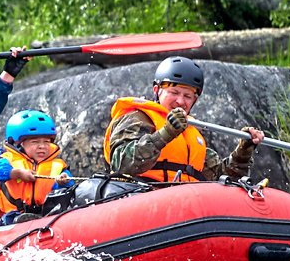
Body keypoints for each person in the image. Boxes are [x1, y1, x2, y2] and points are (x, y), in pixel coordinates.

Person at [103, 56, 265, 182]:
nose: (180, 101)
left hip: (185, 206)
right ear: (157, 90)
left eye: (187, 96)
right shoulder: (138, 118)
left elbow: (221, 176)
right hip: (142, 198)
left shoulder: (190, 133)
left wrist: (243, 152)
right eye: (174, 93)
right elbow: (121, 164)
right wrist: (166, 133)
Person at [0, 110, 74, 223]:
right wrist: (16, 173)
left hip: (48, 215)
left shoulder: (58, 165)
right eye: (35, 142)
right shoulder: (9, 160)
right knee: (12, 218)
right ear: (18, 144)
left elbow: (70, 187)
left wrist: (63, 181)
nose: (42, 146)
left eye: (46, 142)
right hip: (11, 217)